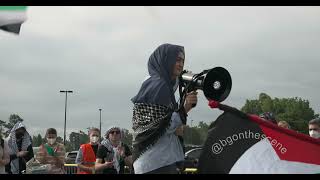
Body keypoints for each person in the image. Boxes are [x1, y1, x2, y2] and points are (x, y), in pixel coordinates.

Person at [131, 43, 198, 174]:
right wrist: (185, 108)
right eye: (177, 60)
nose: (181, 64)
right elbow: (162, 126)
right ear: (166, 60)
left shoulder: (153, 82)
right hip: (156, 163)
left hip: (153, 162)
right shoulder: (158, 85)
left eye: (183, 61)